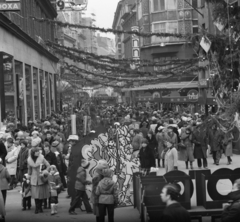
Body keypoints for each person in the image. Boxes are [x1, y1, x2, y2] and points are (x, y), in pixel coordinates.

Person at [27, 147, 50, 214]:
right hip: (34, 179)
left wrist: (44, 172)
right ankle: (37, 208)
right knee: (35, 194)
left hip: (41, 177)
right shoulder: (29, 160)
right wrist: (28, 177)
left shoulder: (42, 158)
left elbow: (48, 165)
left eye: (38, 151)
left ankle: (39, 207)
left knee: (41, 194)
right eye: (36, 151)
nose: (38, 152)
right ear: (33, 153)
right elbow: (29, 169)